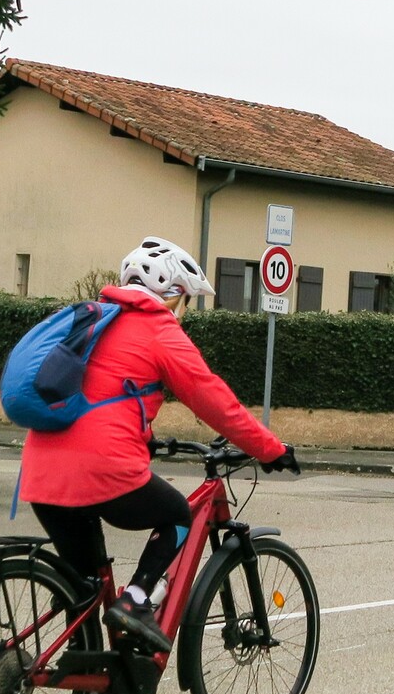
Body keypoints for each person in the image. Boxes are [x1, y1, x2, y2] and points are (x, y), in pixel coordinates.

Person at [21, 237, 299, 654]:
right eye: (186, 300)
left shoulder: (95, 320)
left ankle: (87, 674)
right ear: (173, 294)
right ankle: (136, 601)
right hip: (100, 468)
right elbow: (214, 401)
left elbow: (103, 394)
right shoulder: (158, 329)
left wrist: (146, 440)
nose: (184, 311)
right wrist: (270, 449)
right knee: (177, 514)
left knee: (83, 588)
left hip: (41, 469)